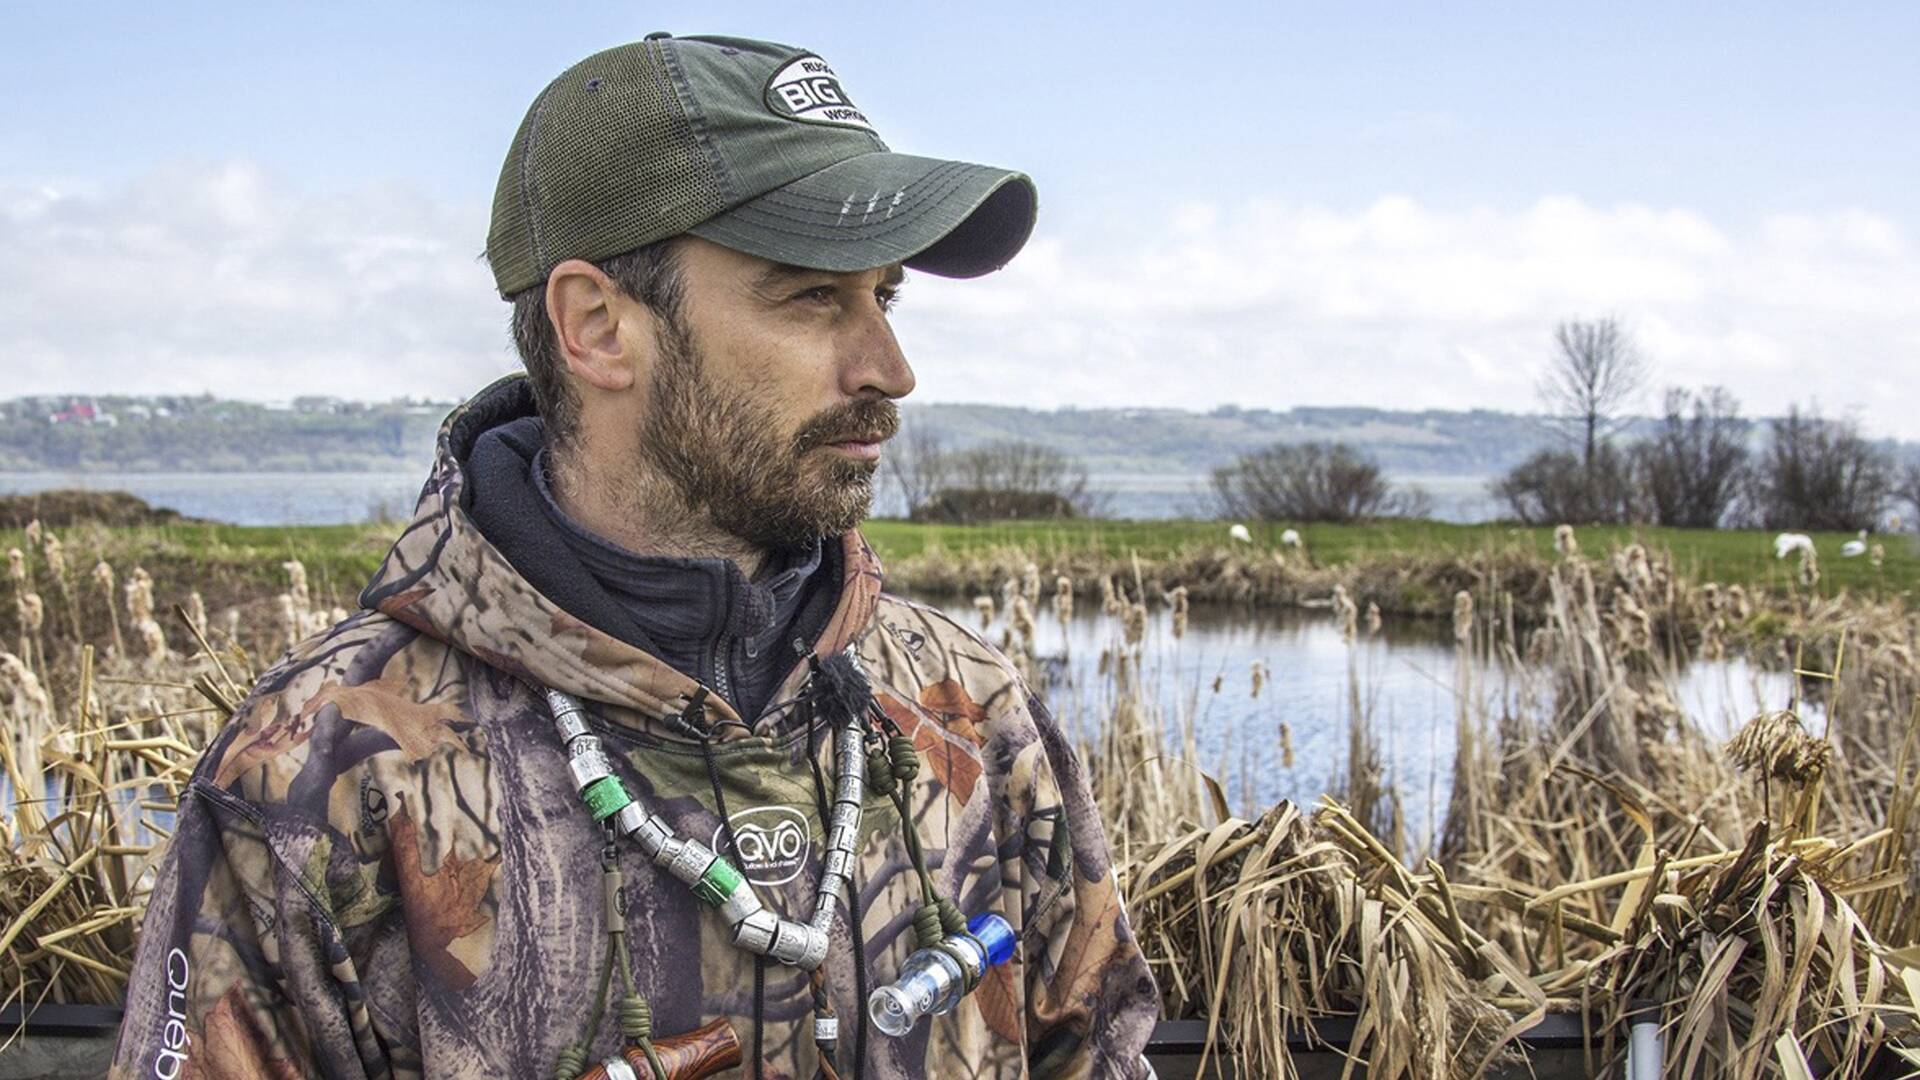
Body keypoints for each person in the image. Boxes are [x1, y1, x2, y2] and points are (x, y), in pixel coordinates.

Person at [110, 33, 1159, 1079]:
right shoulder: (319, 773)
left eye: (883, 296)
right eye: (810, 297)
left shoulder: (966, 709)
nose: (891, 368)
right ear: (599, 327)